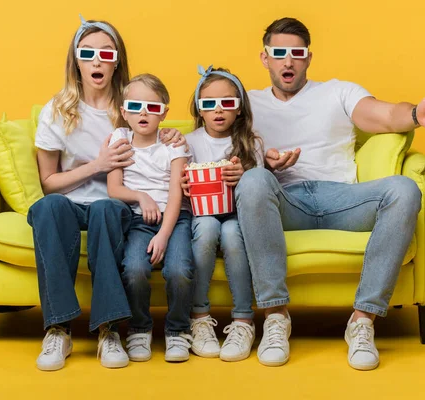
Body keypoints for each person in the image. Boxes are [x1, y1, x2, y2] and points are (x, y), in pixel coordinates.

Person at [235, 17, 425, 369]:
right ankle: (276, 316)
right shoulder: (247, 102)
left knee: (404, 188)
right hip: (284, 201)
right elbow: (214, 138)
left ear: (309, 57)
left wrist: (416, 114)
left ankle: (362, 321)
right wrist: (262, 162)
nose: (288, 61)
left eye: (296, 53)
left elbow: (385, 114)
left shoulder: (338, 91)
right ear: (264, 58)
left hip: (343, 199)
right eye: (278, 53)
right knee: (252, 181)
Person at [27, 16, 185, 371]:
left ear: (117, 61)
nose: (96, 60)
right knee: (47, 208)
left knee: (104, 210)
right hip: (69, 201)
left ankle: (108, 330)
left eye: (105, 53)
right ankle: (58, 329)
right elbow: (48, 181)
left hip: (115, 205)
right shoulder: (57, 110)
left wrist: (172, 135)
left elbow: (154, 128)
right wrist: (97, 164)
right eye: (87, 53)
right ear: (76, 60)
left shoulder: (129, 105)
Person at [106, 74, 194, 363]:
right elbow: (114, 188)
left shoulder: (174, 145)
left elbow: (175, 197)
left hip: (174, 219)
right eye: (135, 106)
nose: (143, 113)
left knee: (179, 269)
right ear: (123, 112)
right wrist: (141, 197)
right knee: (133, 269)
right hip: (137, 221)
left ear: (165, 113)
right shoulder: (119, 138)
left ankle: (178, 331)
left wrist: (164, 235)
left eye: (153, 107)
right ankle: (139, 329)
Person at [183, 66, 264, 362]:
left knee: (231, 232)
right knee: (206, 228)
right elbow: (178, 183)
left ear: (239, 109)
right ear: (199, 110)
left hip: (237, 216)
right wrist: (182, 184)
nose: (218, 110)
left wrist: (244, 174)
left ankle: (243, 320)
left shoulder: (251, 144)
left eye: (227, 103)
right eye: (209, 104)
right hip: (200, 215)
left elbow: (261, 191)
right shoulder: (187, 143)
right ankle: (199, 316)